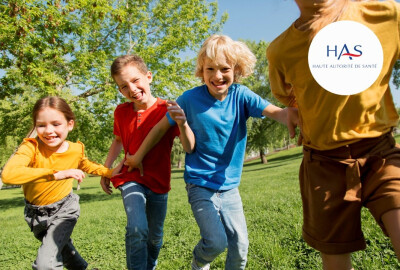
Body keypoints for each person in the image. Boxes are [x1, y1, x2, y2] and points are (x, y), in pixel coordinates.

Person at [124, 34, 293, 270]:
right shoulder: (189, 100)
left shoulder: (241, 96)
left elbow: (276, 112)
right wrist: (139, 155)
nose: (217, 76)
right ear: (201, 70)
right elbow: (163, 132)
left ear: (236, 69)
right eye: (210, 69)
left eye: (224, 68)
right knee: (215, 242)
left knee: (240, 245)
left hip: (229, 185)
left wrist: (294, 114)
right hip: (200, 184)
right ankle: (199, 262)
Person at [267, 0, 400, 269]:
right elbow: (288, 96)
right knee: (336, 260)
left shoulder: (384, 13)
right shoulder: (280, 50)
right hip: (323, 165)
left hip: (381, 154)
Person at [1, 96, 119, 270]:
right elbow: (9, 174)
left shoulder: (75, 149)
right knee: (64, 251)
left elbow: (86, 165)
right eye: (41, 125)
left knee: (45, 265)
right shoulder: (31, 148)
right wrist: (56, 174)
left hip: (64, 209)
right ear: (35, 126)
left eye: (56, 124)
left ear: (69, 124)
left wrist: (109, 173)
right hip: (35, 215)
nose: (49, 131)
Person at [100, 54, 195, 270]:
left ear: (148, 76)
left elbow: (189, 146)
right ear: (119, 91)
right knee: (137, 228)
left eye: (135, 80)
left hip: (159, 182)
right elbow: (117, 142)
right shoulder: (121, 112)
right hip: (130, 177)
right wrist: (107, 169)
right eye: (123, 86)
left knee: (155, 237)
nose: (131, 89)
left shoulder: (167, 109)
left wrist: (182, 124)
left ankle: (149, 265)